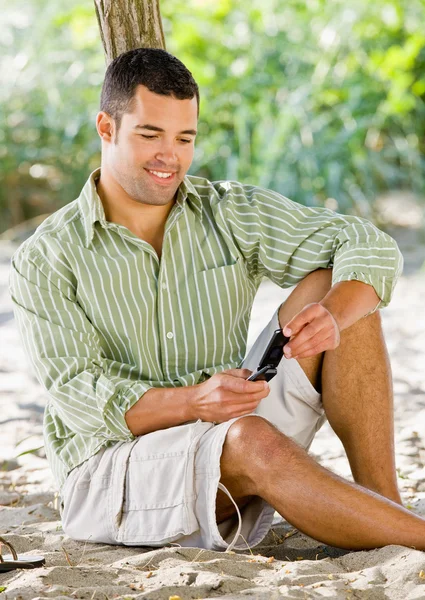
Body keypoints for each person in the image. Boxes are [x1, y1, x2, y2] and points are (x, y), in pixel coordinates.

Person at [9, 48, 425, 554]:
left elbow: (367, 243)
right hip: (114, 469)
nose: (171, 156)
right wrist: (194, 401)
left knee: (341, 289)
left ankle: (385, 514)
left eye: (185, 138)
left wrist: (334, 315)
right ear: (106, 127)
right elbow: (78, 397)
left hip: (230, 424)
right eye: (150, 135)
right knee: (249, 438)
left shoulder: (225, 211)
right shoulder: (48, 255)